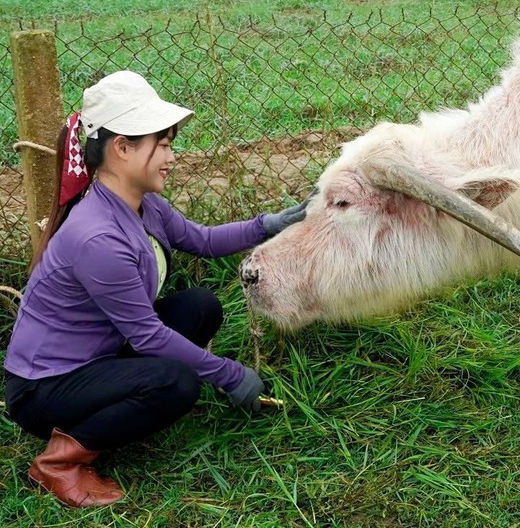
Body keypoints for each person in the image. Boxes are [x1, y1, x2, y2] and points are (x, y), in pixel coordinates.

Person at [3, 70, 311, 508]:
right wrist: (228, 374)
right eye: (162, 145)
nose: (171, 157)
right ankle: (60, 461)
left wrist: (269, 224)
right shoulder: (97, 238)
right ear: (123, 148)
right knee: (176, 383)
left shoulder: (142, 205)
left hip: (98, 355)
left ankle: (130, 399)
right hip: (45, 388)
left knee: (200, 307)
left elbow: (202, 240)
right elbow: (147, 335)